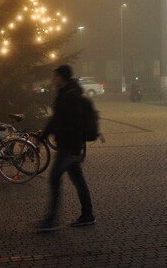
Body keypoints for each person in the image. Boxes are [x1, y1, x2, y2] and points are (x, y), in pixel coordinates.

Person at [38, 65, 99, 232]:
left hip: (69, 147)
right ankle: (87, 215)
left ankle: (51, 220)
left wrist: (75, 150)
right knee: (78, 179)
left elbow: (75, 124)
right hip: (67, 146)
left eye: (55, 76)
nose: (53, 79)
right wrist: (42, 138)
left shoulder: (71, 97)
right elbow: (55, 119)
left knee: (54, 177)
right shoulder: (64, 94)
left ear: (62, 77)